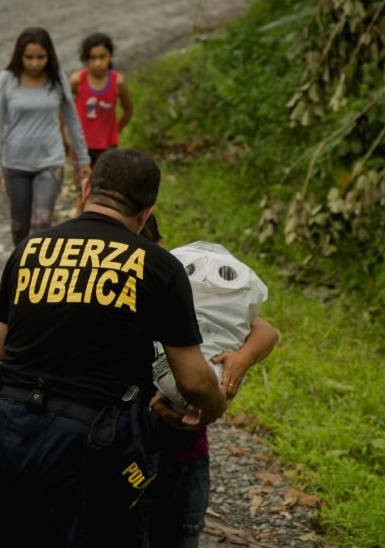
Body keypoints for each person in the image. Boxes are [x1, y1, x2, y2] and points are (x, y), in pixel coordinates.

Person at [0, 148, 226, 547]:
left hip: (11, 429)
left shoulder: (31, 249)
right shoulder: (158, 266)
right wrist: (214, 408)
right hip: (92, 442)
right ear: (147, 211)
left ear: (87, 187)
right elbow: (194, 382)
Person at [141, 214, 280, 548]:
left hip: (185, 453)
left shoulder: (178, 287)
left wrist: (242, 358)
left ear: (160, 249)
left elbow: (267, 332)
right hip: (128, 449)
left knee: (180, 533)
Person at [0, 26, 92, 246]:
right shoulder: (7, 79)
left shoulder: (57, 79)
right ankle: (21, 274)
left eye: (40, 57)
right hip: (16, 164)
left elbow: (72, 118)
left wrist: (83, 158)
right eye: (29, 57)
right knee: (19, 227)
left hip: (49, 162)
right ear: (19, 55)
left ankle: (37, 276)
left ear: (49, 56)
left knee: (42, 223)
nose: (35, 63)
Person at [64, 33, 133, 214]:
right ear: (85, 59)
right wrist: (64, 135)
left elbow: (128, 110)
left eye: (102, 57)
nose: (98, 63)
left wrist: (115, 131)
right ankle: (79, 233)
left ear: (110, 57)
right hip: (82, 148)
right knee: (82, 195)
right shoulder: (77, 81)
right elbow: (63, 108)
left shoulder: (117, 81)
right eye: (92, 58)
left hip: (107, 148)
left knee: (105, 195)